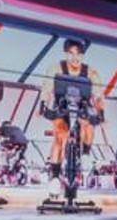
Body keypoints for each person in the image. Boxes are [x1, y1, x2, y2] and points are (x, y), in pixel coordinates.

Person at [39, 38, 104, 196]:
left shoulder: (91, 72)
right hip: (62, 106)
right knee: (60, 134)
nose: (75, 58)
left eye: (78, 54)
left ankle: (86, 153)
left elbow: (99, 96)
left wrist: (100, 112)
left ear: (82, 56)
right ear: (66, 54)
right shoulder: (55, 68)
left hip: (82, 106)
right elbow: (46, 89)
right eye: (71, 54)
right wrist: (43, 106)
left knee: (88, 125)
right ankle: (55, 176)